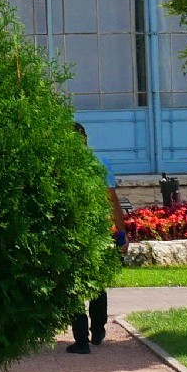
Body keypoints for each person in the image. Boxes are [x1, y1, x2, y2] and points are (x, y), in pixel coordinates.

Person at [69, 123, 118, 354]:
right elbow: (112, 200)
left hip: (72, 230)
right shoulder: (101, 163)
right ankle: (98, 330)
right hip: (98, 230)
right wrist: (122, 231)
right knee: (97, 283)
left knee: (73, 285)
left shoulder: (62, 166)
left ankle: (81, 340)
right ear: (86, 139)